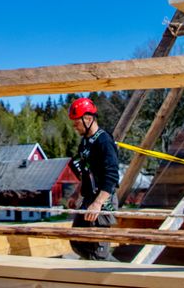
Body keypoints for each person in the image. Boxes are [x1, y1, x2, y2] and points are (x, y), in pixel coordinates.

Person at [67, 97, 120, 262]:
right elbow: (85, 172)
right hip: (89, 198)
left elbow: (112, 176)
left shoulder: (104, 141)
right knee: (77, 241)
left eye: (77, 123)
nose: (75, 127)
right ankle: (92, 268)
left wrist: (98, 204)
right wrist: (76, 194)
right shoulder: (84, 143)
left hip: (103, 200)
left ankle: (126, 278)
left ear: (88, 118)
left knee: (99, 252)